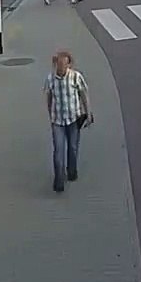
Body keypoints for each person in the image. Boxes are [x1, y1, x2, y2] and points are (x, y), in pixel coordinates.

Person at [43, 50, 92, 193]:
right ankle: (59, 181)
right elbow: (48, 96)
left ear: (69, 64)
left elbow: (84, 93)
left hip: (73, 119)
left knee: (73, 147)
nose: (62, 68)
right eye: (59, 65)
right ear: (55, 64)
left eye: (64, 65)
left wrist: (88, 113)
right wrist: (50, 114)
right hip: (57, 121)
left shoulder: (75, 77)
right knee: (58, 151)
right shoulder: (50, 79)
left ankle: (72, 171)